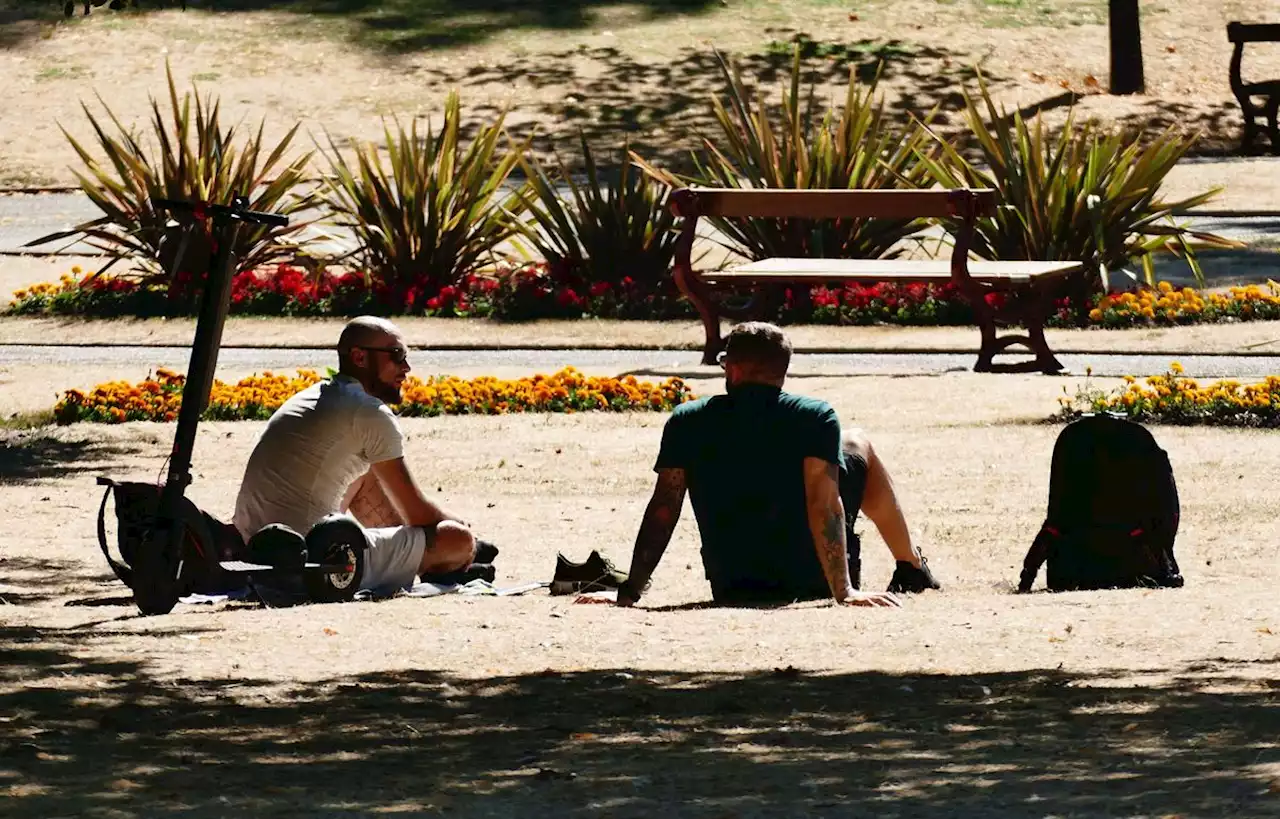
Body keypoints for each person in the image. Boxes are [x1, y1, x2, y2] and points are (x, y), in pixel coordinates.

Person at [604, 321, 940, 608]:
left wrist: (630, 590)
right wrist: (844, 591)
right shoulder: (815, 416)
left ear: (733, 368)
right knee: (856, 443)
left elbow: (665, 508)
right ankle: (909, 564)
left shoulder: (688, 420)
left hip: (732, 584)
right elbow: (823, 504)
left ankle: (909, 565)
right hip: (814, 582)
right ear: (782, 369)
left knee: (848, 444)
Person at [232, 316, 476, 595]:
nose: (406, 367)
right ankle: (442, 560)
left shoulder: (311, 396)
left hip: (254, 551)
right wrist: (465, 531)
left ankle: (414, 558)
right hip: (314, 559)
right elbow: (417, 513)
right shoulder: (369, 412)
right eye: (396, 356)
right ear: (359, 357)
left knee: (367, 470)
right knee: (457, 539)